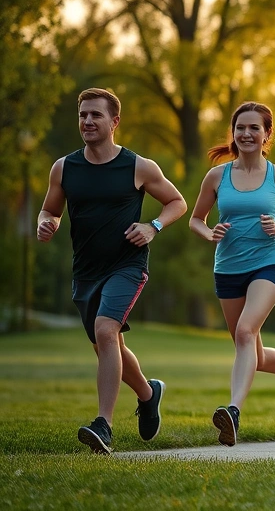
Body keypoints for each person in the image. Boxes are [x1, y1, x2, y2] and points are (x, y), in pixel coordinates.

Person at [37, 88, 187, 454]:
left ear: (114, 121)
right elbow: (50, 209)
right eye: (83, 115)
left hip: (127, 265)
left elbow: (177, 202)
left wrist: (153, 226)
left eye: (96, 115)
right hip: (85, 271)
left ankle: (103, 425)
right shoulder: (64, 168)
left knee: (106, 331)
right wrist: (47, 222)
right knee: (108, 344)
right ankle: (148, 394)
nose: (87, 121)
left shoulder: (138, 167)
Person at [188, 101, 275, 446]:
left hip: (269, 263)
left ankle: (233, 412)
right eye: (240, 127)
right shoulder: (217, 176)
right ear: (233, 132)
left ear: (267, 133)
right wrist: (208, 232)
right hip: (228, 268)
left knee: (246, 331)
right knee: (253, 355)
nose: (246, 133)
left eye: (254, 128)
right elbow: (195, 219)